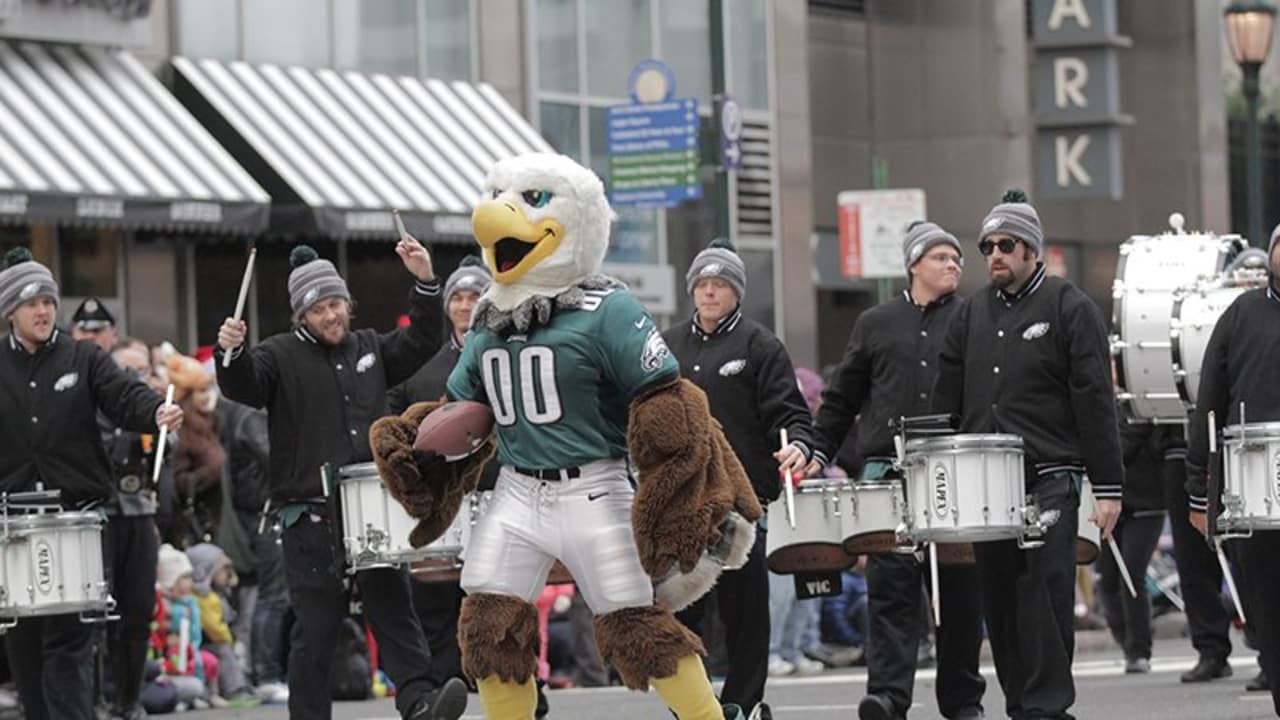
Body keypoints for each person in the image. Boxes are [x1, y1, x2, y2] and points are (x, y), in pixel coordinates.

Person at [215, 241, 467, 720]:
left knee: (394, 611)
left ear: (347, 305)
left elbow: (421, 340)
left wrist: (425, 282)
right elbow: (242, 385)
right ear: (300, 315)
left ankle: (420, 702)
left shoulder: (370, 346)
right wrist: (230, 353)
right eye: (318, 308)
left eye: (335, 305)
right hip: (309, 514)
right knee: (316, 629)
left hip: (369, 506)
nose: (330, 316)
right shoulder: (278, 355)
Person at [932, 191, 1123, 720]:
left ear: (1032, 250)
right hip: (985, 482)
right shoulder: (970, 313)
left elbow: (1095, 401)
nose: (995, 254)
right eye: (987, 245)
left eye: (1007, 244)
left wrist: (1107, 488)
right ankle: (1021, 705)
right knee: (1001, 602)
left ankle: (1047, 708)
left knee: (1045, 597)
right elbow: (945, 402)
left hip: (1053, 476)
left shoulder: (1069, 306)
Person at [801, 221, 986, 720]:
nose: (953, 265)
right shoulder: (875, 323)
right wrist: (816, 453)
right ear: (913, 265)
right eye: (941, 257)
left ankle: (962, 699)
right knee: (889, 590)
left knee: (960, 594)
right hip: (887, 477)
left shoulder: (974, 318)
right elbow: (841, 402)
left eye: (956, 258)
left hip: (954, 473)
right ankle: (887, 696)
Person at [0, 247, 183, 720]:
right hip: (13, 524)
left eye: (48, 300)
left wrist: (155, 412)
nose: (43, 310)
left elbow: (125, 394)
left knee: (69, 646)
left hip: (74, 519)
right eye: (30, 302)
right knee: (24, 651)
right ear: (10, 312)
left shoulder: (83, 356)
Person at [666, 237, 817, 719]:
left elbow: (790, 413)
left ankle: (744, 703)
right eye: (703, 284)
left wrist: (798, 443)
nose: (710, 293)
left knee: (744, 611)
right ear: (692, 290)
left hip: (740, 501)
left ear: (737, 293)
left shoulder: (760, 344)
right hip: (680, 500)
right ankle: (691, 708)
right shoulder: (665, 345)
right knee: (682, 612)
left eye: (721, 284)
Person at [1186, 224, 1280, 716]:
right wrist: (1201, 491)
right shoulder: (1241, 314)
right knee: (1265, 600)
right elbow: (1209, 404)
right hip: (1256, 489)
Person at [99, 343, 169, 720]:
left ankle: (130, 699)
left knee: (138, 608)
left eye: (142, 370)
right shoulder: (96, 403)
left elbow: (165, 459)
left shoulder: (151, 405)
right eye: (129, 369)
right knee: (99, 612)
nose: (135, 378)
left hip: (139, 510)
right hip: (103, 512)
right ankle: (98, 697)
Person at [1099, 412, 1168, 674]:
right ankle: (1125, 639)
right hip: (1112, 503)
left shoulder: (1141, 406)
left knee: (1132, 574)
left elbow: (1126, 444)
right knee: (1107, 578)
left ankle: (1139, 648)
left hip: (1147, 502)